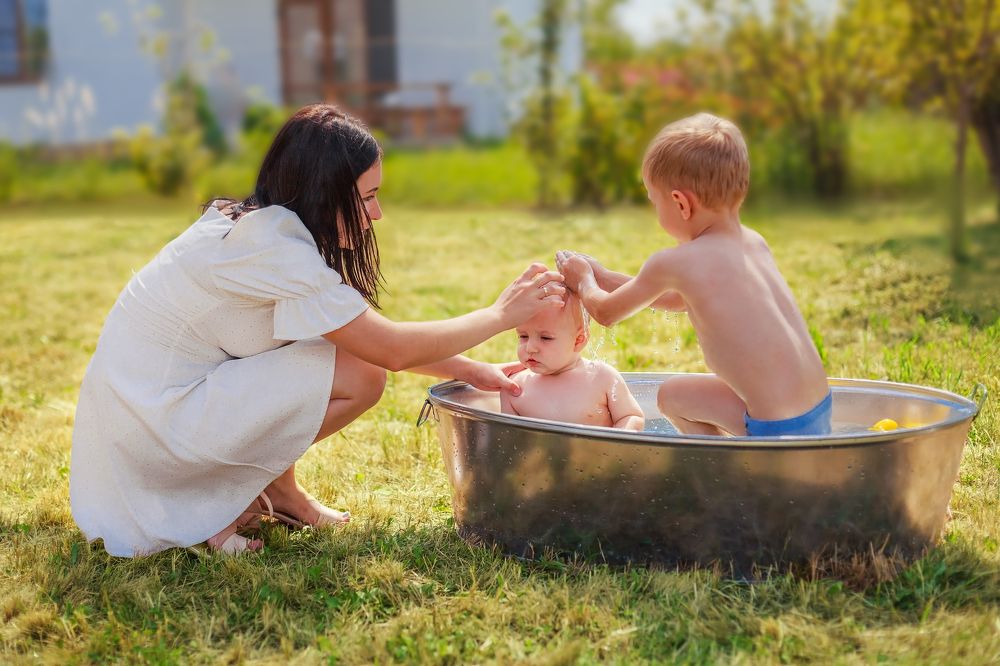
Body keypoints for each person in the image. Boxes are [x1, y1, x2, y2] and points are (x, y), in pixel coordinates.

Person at [70, 104, 566, 556]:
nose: (377, 214)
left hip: (144, 416)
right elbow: (388, 349)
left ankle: (277, 492)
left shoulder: (259, 226)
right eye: (368, 197)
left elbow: (352, 335)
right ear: (323, 192)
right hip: (154, 433)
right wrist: (501, 314)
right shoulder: (275, 251)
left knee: (340, 359)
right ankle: (213, 501)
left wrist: (472, 371)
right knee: (364, 376)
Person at [556, 112, 829, 437]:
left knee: (671, 398)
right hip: (817, 411)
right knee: (677, 393)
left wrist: (583, 280)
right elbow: (676, 299)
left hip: (775, 431)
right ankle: (735, 455)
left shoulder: (675, 262)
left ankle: (716, 463)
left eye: (654, 202)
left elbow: (605, 312)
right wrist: (603, 275)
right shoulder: (753, 243)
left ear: (681, 204)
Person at [500, 293, 644, 431]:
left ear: (578, 340)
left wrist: (619, 437)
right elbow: (507, 437)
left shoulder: (602, 377)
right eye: (523, 336)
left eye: (546, 338)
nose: (530, 348)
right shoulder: (514, 388)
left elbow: (631, 416)